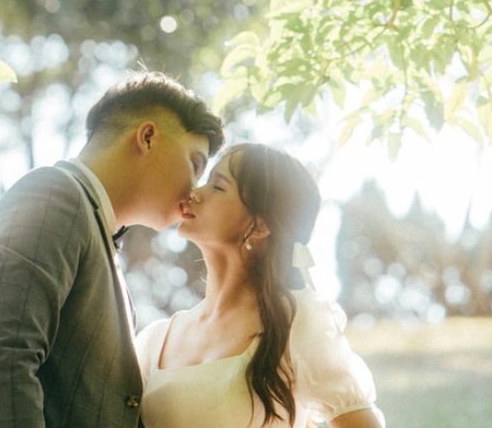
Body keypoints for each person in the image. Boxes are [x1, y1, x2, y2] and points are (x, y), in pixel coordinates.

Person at [0, 70, 225, 428]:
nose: (194, 191)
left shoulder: (91, 229)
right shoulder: (55, 196)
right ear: (148, 137)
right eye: (195, 165)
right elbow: (2, 361)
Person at [135, 143, 386, 428]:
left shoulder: (295, 320)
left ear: (260, 226)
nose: (194, 192)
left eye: (217, 187)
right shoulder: (154, 340)